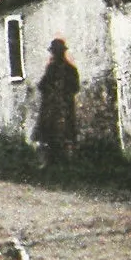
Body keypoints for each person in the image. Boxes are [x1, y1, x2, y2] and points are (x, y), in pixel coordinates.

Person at [36, 38, 80, 166]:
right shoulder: (54, 69)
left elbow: (75, 87)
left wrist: (59, 93)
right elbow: (42, 85)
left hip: (60, 106)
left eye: (57, 52)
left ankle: (64, 161)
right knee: (52, 132)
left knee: (63, 132)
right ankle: (53, 161)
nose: (55, 55)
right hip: (55, 106)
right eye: (55, 52)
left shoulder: (67, 70)